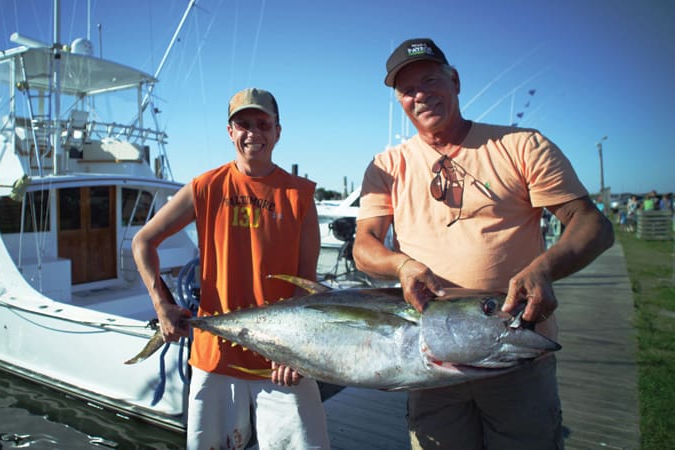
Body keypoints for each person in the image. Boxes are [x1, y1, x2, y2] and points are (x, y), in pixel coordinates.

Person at [353, 38, 614, 449]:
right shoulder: (386, 166)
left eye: (430, 79)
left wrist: (545, 268)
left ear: (454, 80)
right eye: (407, 90)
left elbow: (591, 224)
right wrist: (401, 265)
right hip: (430, 364)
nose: (420, 94)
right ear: (399, 100)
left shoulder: (521, 145)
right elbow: (364, 245)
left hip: (514, 354)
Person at [132, 88, 330, 449]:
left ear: (278, 131)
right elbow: (143, 242)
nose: (253, 132)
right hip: (215, 359)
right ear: (230, 131)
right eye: (243, 124)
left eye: (262, 123)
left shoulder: (300, 195)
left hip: (281, 363)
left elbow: (306, 282)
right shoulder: (205, 187)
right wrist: (162, 304)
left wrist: (294, 350)